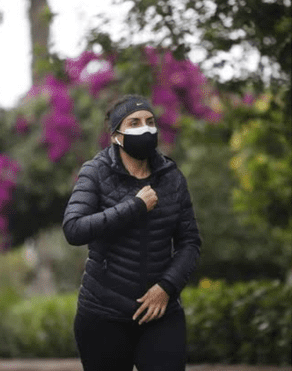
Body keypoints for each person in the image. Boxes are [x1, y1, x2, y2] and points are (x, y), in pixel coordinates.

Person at [62, 94, 201, 371]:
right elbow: (74, 229)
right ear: (117, 136)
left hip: (161, 312)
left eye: (150, 121)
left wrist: (166, 287)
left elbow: (190, 242)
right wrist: (135, 206)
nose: (145, 128)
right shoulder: (95, 172)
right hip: (103, 314)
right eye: (134, 122)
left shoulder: (172, 177)